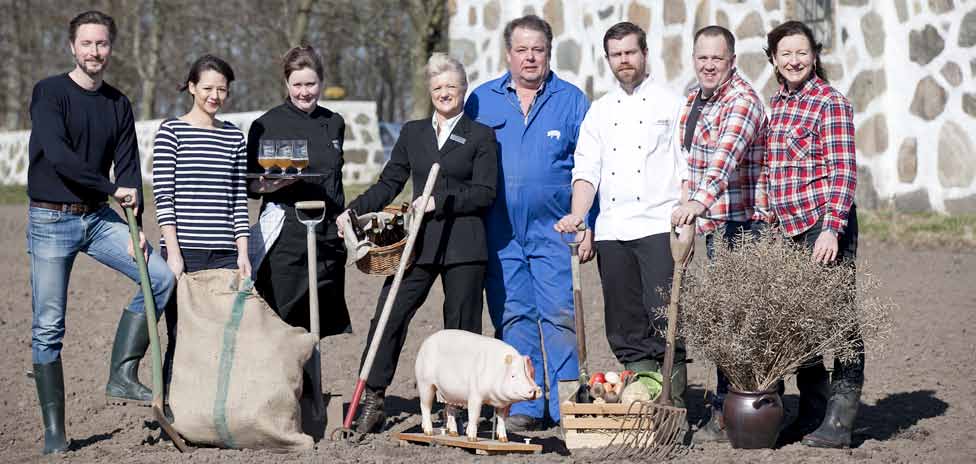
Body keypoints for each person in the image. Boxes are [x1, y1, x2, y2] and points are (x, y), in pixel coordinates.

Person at [25, 10, 175, 454]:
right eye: (87, 44)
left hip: (98, 219)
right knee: (48, 325)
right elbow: (58, 154)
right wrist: (112, 188)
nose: (95, 52)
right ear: (73, 46)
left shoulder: (117, 104)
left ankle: (122, 373)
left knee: (160, 278)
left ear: (111, 47)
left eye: (102, 44)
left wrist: (137, 223)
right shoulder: (49, 93)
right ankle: (55, 430)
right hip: (51, 219)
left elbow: (130, 167)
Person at [336, 53, 498, 434]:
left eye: (452, 87)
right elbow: (390, 182)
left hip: (464, 246)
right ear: (430, 92)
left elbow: (486, 192)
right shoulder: (413, 133)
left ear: (464, 90)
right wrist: (354, 210)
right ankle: (372, 399)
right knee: (388, 316)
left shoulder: (481, 136)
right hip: (417, 244)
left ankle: (455, 410)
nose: (445, 93)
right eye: (438, 87)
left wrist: (441, 200)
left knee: (460, 328)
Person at [465, 14, 591, 431]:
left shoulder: (571, 100)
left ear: (549, 52)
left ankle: (566, 402)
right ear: (508, 54)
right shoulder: (481, 100)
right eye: (522, 49)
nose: (530, 57)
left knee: (559, 314)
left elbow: (590, 168)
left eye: (538, 49)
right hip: (500, 232)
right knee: (513, 315)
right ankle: (524, 404)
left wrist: (586, 222)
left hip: (556, 230)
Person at [554, 22, 687, 406]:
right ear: (608, 60)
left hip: (660, 225)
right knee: (624, 322)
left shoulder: (671, 103)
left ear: (645, 54)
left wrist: (685, 224)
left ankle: (672, 402)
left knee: (666, 316)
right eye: (616, 55)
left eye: (630, 52)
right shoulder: (600, 111)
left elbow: (685, 167)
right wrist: (580, 216)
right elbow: (586, 171)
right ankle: (641, 396)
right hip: (613, 230)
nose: (624, 60)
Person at [761, 20, 862, 449]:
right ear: (774, 60)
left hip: (822, 229)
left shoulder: (830, 103)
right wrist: (767, 211)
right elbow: (774, 166)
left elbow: (843, 172)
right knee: (798, 327)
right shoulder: (778, 104)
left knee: (839, 325)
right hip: (787, 229)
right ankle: (813, 412)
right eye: (785, 54)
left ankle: (840, 421)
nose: (794, 60)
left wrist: (831, 229)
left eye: (801, 52)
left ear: (814, 55)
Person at [670, 25, 769, 442]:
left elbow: (723, 162)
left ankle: (744, 412)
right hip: (713, 226)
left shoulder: (742, 101)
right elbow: (690, 164)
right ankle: (729, 406)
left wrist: (697, 203)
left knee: (742, 320)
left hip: (745, 227)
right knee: (723, 319)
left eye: (717, 58)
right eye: (702, 58)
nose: (709, 65)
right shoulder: (695, 99)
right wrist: (687, 217)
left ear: (732, 61)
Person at [153, 55, 251, 385]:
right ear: (192, 87)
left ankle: (211, 416)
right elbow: (163, 198)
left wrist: (242, 253)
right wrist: (174, 253)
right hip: (186, 253)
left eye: (222, 90)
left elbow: (238, 200)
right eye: (208, 88)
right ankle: (172, 413)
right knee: (182, 338)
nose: (215, 96)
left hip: (224, 254)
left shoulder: (234, 138)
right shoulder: (171, 131)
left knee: (222, 340)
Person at [247, 45, 351, 339]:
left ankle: (310, 382)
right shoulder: (266, 124)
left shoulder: (334, 122)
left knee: (318, 316)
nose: (304, 92)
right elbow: (250, 185)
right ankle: (284, 383)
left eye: (311, 84)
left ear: (321, 81)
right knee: (282, 314)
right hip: (286, 235)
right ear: (286, 84)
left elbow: (335, 179)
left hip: (327, 232)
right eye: (297, 85)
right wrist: (268, 185)